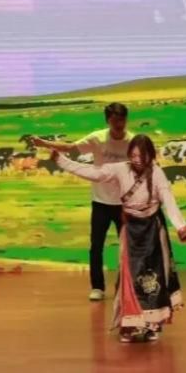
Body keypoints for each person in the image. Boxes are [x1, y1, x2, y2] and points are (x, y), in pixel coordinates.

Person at [52, 135, 186, 343]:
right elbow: (94, 173)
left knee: (154, 275)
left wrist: (181, 226)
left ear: (150, 155)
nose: (137, 159)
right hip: (130, 230)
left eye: (142, 155)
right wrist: (62, 161)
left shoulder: (157, 173)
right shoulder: (120, 169)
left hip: (153, 229)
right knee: (129, 275)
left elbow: (168, 199)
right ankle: (130, 325)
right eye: (134, 155)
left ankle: (152, 325)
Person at [31, 102, 133, 301]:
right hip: (101, 202)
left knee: (128, 248)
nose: (118, 125)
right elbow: (71, 148)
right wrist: (44, 143)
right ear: (108, 120)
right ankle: (97, 287)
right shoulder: (97, 138)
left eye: (122, 120)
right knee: (96, 245)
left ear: (126, 120)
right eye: (114, 121)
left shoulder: (134, 141)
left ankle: (125, 286)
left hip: (125, 203)